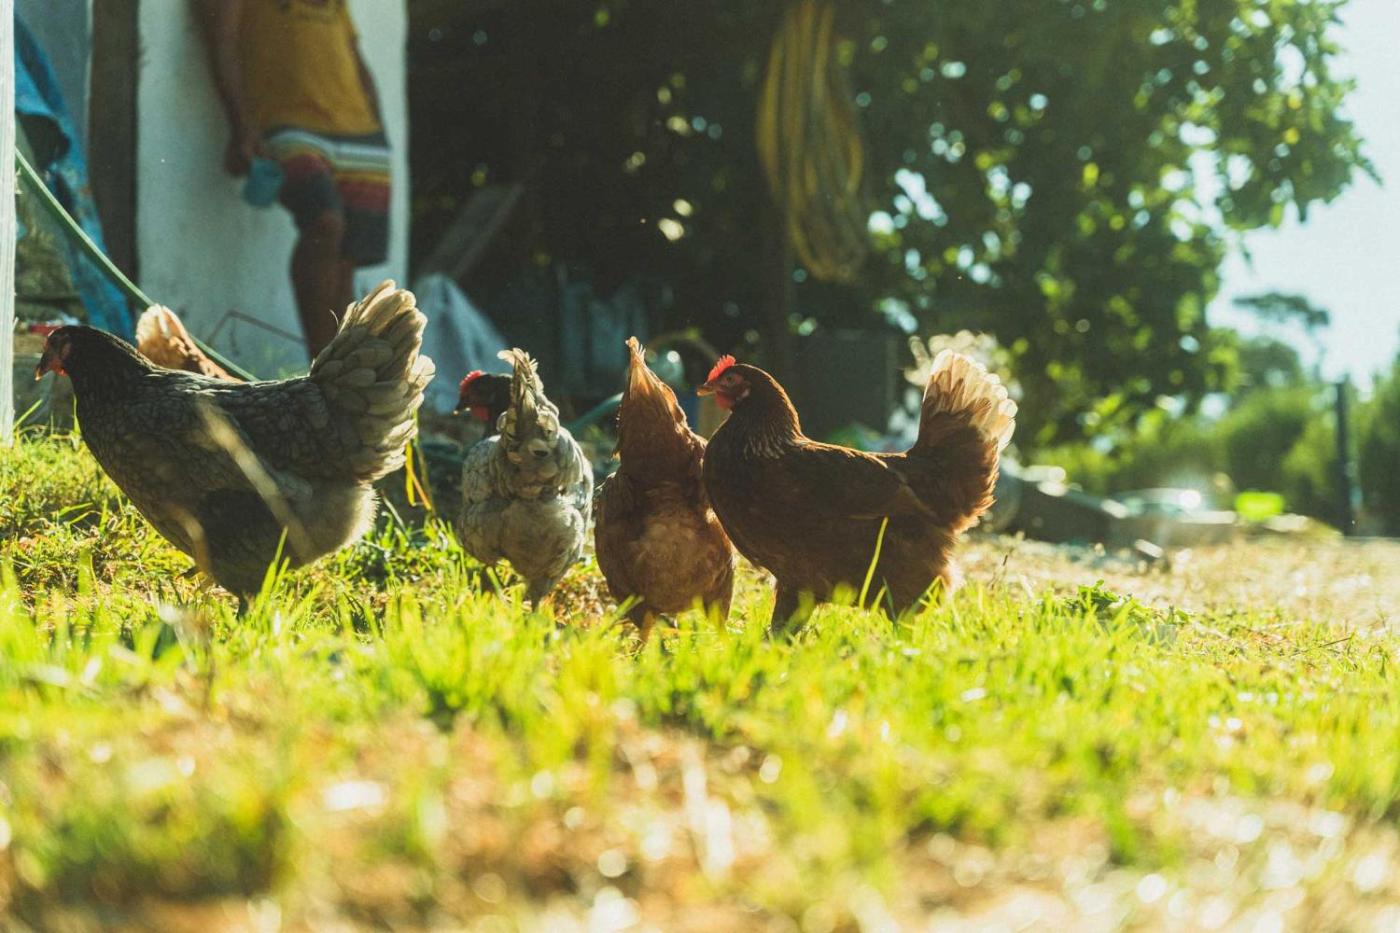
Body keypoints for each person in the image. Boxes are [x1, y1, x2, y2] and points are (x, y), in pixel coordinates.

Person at [194, 0, 389, 357]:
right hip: (287, 123)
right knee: (324, 223)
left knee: (346, 260)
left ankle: (342, 374)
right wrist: (240, 125)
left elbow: (355, 56)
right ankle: (322, 367)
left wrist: (379, 128)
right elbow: (221, 39)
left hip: (360, 128)